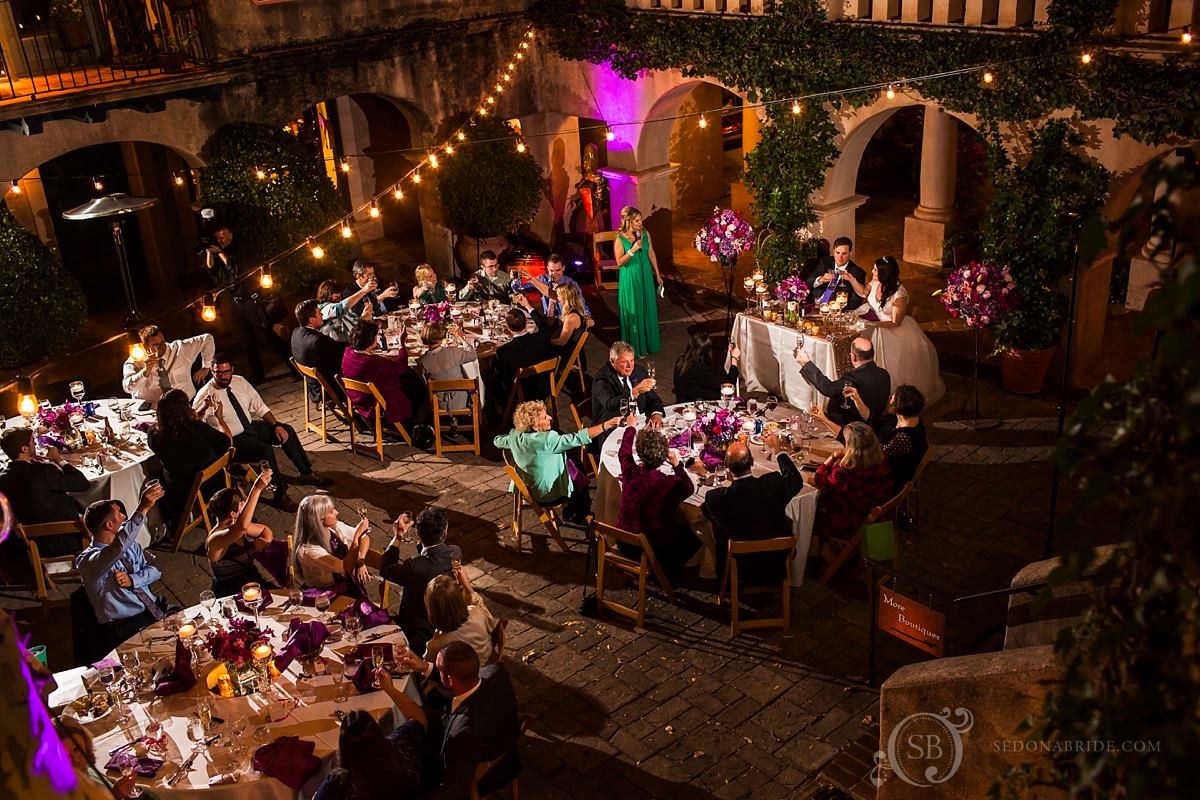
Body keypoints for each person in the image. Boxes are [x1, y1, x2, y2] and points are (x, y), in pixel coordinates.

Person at [193, 354, 331, 513]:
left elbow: (259, 406)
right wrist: (204, 410)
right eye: (218, 373)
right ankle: (280, 495)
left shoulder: (239, 381)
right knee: (265, 450)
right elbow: (196, 420)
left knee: (287, 430)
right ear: (212, 371)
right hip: (232, 440)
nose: (223, 376)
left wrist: (276, 425)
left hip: (249, 427)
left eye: (226, 372)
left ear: (232, 369)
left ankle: (306, 472)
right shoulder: (205, 394)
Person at [389, 641, 522, 800]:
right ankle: (390, 691)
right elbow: (461, 680)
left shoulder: (464, 735)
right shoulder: (496, 672)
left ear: (450, 680)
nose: (437, 669)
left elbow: (454, 790)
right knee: (420, 713)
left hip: (486, 772)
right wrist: (425, 667)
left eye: (439, 669)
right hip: (495, 737)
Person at [494, 400, 623, 523]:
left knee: (573, 464)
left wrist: (513, 443)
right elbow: (578, 438)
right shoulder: (549, 439)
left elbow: (497, 441)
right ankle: (580, 514)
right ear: (534, 425)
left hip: (528, 492)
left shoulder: (514, 436)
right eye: (545, 417)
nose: (550, 417)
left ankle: (575, 513)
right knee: (577, 470)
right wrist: (605, 425)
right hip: (550, 495)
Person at [701, 434, 804, 585]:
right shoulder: (773, 484)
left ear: (727, 467)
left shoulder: (716, 498)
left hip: (740, 561)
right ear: (752, 462)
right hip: (777, 557)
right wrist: (778, 450)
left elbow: (707, 513)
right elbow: (795, 479)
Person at [843, 256, 945, 405]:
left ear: (885, 273)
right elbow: (864, 293)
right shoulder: (876, 281)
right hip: (873, 322)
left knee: (891, 365)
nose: (872, 271)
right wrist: (851, 279)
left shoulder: (899, 294)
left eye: (876, 270)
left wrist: (873, 324)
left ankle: (889, 398)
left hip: (891, 330)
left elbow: (895, 322)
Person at [76, 482, 167, 647]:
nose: (124, 517)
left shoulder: (129, 543)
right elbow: (117, 548)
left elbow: (156, 569)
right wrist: (143, 508)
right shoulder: (89, 561)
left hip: (153, 608)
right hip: (125, 627)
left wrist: (134, 579)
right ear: (109, 525)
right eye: (119, 514)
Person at [205, 224, 292, 384]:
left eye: (221, 233)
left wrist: (222, 254)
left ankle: (293, 367)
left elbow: (237, 269)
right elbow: (212, 272)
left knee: (267, 336)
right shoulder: (218, 251)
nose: (219, 237)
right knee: (246, 341)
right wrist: (209, 253)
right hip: (234, 303)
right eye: (216, 235)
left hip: (251, 300)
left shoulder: (241, 248)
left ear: (230, 232)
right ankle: (258, 375)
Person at [615, 427, 700, 580]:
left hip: (623, 541)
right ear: (663, 456)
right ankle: (668, 571)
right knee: (694, 533)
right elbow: (689, 487)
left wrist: (630, 428)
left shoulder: (629, 472)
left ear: (640, 453)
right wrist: (677, 465)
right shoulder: (667, 484)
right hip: (651, 547)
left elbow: (624, 452)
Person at [379, 508, 461, 656]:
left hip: (418, 635)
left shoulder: (414, 568)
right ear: (445, 533)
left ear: (418, 533)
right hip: (450, 624)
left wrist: (398, 535)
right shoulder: (455, 553)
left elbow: (386, 569)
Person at [147, 388, 233, 526]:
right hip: (209, 487)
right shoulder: (196, 428)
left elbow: (178, 428)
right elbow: (227, 443)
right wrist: (220, 418)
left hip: (178, 490)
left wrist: (203, 410)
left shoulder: (153, 434)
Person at [0, 428, 89, 555]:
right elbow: (83, 484)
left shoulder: (2, 480)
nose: (35, 444)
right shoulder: (43, 472)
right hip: (69, 540)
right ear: (24, 449)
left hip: (35, 546)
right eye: (32, 442)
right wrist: (58, 460)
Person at [811, 422, 894, 554]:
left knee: (809, 515)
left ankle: (829, 562)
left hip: (850, 519)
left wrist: (833, 456)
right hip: (873, 512)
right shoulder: (882, 460)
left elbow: (819, 479)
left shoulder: (846, 471)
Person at [312, 709, 430, 800]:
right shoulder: (400, 741)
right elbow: (420, 718)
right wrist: (389, 688)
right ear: (377, 731)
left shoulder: (340, 781)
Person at [342, 319, 426, 428]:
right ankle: (415, 425)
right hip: (375, 404)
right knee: (418, 386)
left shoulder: (348, 353)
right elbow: (400, 366)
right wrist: (401, 346)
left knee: (408, 379)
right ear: (371, 339)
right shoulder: (372, 362)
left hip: (358, 400)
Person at [205, 471, 275, 597]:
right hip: (232, 594)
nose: (246, 509)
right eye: (243, 505)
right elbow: (241, 527)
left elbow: (265, 530)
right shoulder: (215, 539)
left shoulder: (238, 526)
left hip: (254, 584)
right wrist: (257, 488)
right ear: (233, 514)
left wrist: (265, 541)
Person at [795, 337, 891, 427]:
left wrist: (806, 363)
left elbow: (828, 388)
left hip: (854, 427)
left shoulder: (853, 378)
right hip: (878, 424)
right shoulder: (885, 375)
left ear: (853, 357)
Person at [591, 340, 665, 450]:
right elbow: (610, 405)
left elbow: (652, 397)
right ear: (612, 361)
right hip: (615, 430)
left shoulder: (638, 371)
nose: (629, 366)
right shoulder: (602, 379)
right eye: (624, 362)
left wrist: (656, 413)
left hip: (641, 425)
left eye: (631, 360)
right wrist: (634, 392)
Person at [292, 494, 371, 594]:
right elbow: (345, 568)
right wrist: (357, 536)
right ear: (318, 519)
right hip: (324, 595)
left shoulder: (334, 527)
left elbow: (364, 538)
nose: (337, 512)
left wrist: (360, 560)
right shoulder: (308, 551)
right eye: (331, 511)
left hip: (347, 586)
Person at [120, 324, 215, 407]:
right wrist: (145, 372)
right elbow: (128, 388)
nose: (163, 347)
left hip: (185, 404)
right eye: (156, 345)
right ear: (145, 347)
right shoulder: (135, 361)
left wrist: (206, 367)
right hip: (153, 409)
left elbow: (207, 338)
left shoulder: (179, 349)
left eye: (163, 342)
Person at [422, 566, 498, 667]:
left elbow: (429, 665)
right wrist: (467, 586)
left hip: (464, 679)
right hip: (490, 662)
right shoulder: (477, 614)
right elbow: (490, 623)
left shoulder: (436, 645)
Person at [613, 206, 662, 357]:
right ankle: (636, 347)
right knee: (635, 309)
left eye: (640, 219)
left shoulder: (645, 233)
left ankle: (648, 344)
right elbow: (619, 262)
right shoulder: (620, 239)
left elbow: (651, 252)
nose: (641, 223)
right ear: (628, 221)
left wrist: (658, 275)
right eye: (637, 220)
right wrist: (632, 250)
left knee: (647, 308)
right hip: (630, 277)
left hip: (645, 274)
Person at [490, 307, 557, 404]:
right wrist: (529, 307)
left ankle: (498, 412)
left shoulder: (504, 351)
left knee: (491, 380)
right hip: (545, 388)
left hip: (521, 393)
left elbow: (502, 376)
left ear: (508, 328)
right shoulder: (542, 338)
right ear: (526, 322)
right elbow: (544, 326)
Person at [291, 299, 350, 405]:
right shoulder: (319, 341)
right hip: (328, 389)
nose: (322, 314)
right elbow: (344, 353)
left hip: (313, 387)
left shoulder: (296, 333)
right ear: (311, 320)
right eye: (319, 312)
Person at [513, 253, 593, 322]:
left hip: (564, 321)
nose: (554, 274)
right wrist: (515, 279)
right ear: (547, 268)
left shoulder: (571, 284)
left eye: (558, 270)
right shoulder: (542, 280)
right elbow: (520, 288)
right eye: (551, 270)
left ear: (563, 268)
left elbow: (581, 303)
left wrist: (587, 317)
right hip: (547, 320)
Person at [417, 321, 477, 411]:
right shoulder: (453, 352)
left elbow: (425, 383)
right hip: (462, 401)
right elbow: (473, 355)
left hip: (439, 405)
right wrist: (461, 338)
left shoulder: (422, 361)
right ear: (441, 336)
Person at [673, 330, 741, 402]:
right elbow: (729, 387)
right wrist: (734, 359)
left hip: (683, 401)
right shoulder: (701, 370)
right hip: (696, 406)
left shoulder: (681, 361)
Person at [804, 235, 867, 311]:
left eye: (844, 254)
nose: (840, 257)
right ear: (833, 251)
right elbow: (808, 282)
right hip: (815, 305)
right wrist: (821, 279)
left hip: (837, 311)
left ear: (850, 253)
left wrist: (835, 309)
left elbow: (855, 303)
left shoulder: (857, 273)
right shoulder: (824, 262)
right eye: (837, 253)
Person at [317, 279, 374, 343]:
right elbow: (341, 307)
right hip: (336, 348)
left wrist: (364, 316)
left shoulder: (343, 309)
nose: (339, 297)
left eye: (339, 295)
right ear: (327, 294)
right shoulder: (324, 309)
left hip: (350, 345)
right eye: (336, 295)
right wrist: (363, 291)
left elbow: (355, 326)